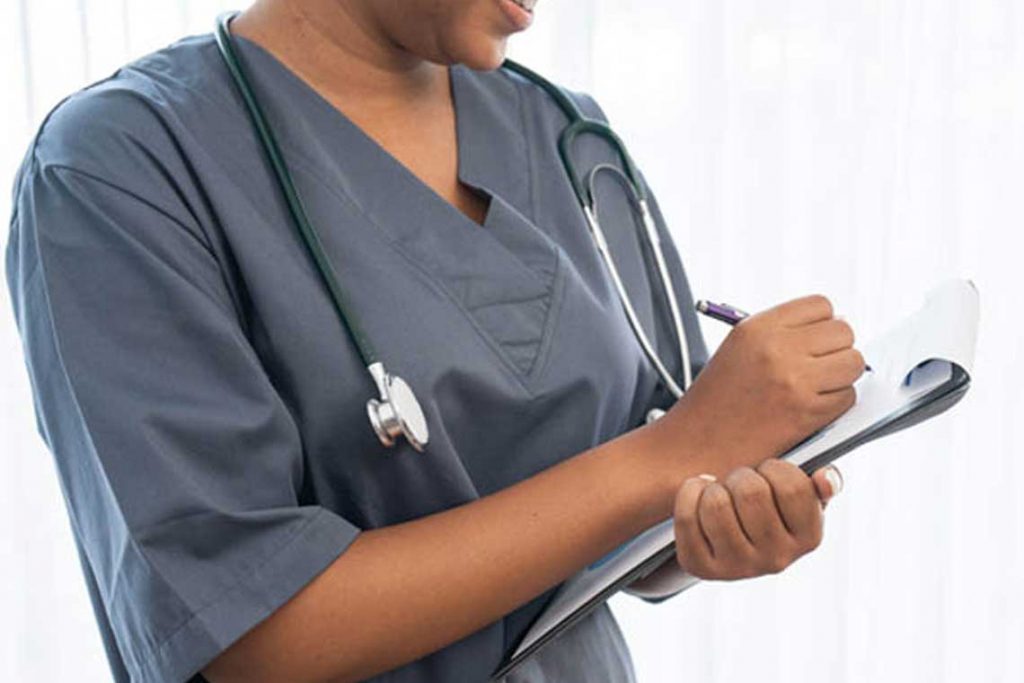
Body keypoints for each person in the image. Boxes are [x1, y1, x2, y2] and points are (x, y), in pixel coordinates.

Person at [4, 1, 863, 681]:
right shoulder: (118, 168)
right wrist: (670, 457)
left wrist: (708, 525)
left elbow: (642, 505)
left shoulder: (564, 133)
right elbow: (250, 634)